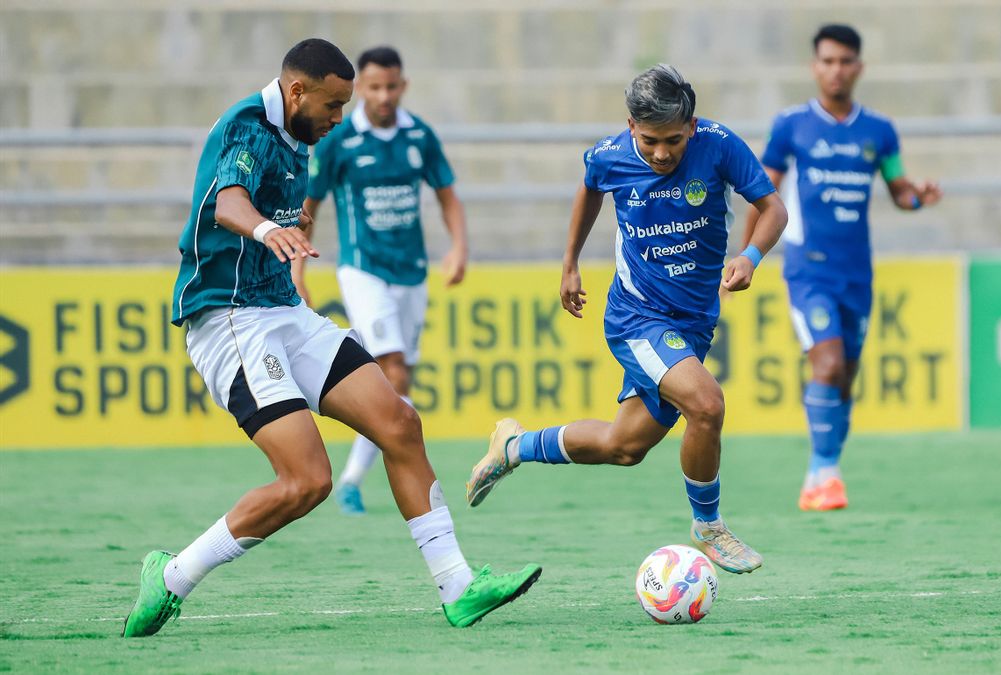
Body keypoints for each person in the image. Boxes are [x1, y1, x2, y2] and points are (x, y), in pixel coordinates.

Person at [122, 38, 539, 638]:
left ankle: (459, 587)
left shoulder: (302, 136)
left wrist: (292, 228)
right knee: (307, 480)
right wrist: (268, 228)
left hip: (281, 312)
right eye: (334, 104)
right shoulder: (247, 125)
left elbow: (279, 205)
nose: (340, 118)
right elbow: (227, 201)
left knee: (400, 422)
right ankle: (171, 578)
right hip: (228, 319)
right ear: (297, 90)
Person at [464, 64, 788, 574]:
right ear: (632, 126)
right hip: (638, 317)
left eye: (675, 141)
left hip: (695, 322)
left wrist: (750, 255)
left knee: (625, 445)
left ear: (693, 126)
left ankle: (515, 445)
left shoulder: (720, 145)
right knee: (706, 405)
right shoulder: (610, 155)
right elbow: (590, 187)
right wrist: (569, 264)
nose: (663, 153)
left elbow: (773, 210)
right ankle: (708, 526)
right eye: (652, 140)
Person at [742, 24, 943, 512]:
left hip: (858, 274)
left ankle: (826, 467)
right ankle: (822, 474)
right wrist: (745, 255)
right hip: (808, 271)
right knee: (827, 363)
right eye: (827, 61)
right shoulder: (791, 126)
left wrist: (918, 198)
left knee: (846, 374)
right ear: (815, 66)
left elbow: (898, 191)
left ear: (859, 67)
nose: (836, 70)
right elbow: (761, 195)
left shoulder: (879, 131)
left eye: (845, 61)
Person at [296, 45, 468, 516]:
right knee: (390, 368)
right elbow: (308, 208)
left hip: (411, 271)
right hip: (362, 268)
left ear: (403, 85)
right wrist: (298, 267)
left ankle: (354, 478)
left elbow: (447, 195)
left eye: (391, 86)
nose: (383, 95)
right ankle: (375, 476)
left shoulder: (419, 136)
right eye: (373, 87)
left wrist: (457, 248)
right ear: (361, 90)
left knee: (399, 382)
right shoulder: (340, 139)